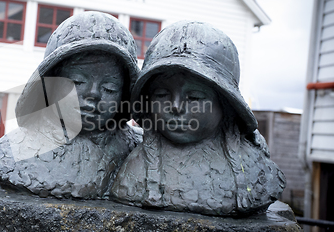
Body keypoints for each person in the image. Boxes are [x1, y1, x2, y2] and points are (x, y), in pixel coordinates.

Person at [110, 21, 285, 216]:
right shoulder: (135, 169)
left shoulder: (256, 172)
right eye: (162, 94)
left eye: (194, 97)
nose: (175, 106)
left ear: (225, 104)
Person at [0, 11, 142, 199]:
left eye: (109, 88)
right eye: (76, 82)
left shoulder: (141, 151)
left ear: (124, 95)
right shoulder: (8, 154)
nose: (93, 94)